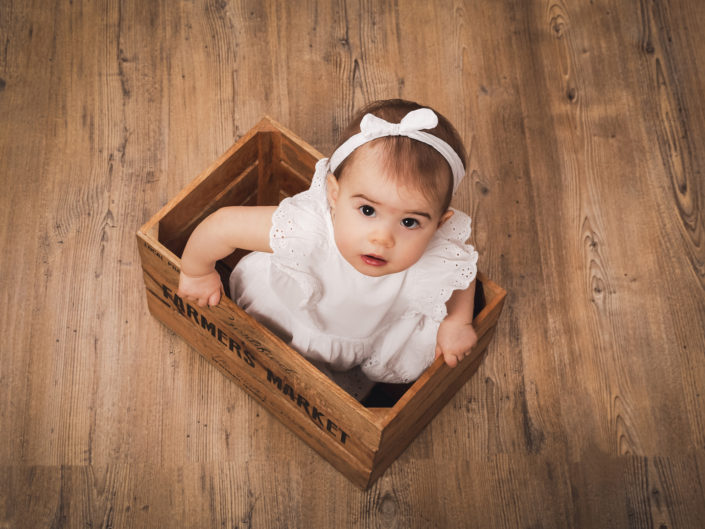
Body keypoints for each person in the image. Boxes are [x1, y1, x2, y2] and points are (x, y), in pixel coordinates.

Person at [177, 99, 479, 389]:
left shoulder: (433, 253)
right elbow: (223, 226)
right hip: (284, 313)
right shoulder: (309, 231)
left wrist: (457, 322)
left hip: (361, 335)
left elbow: (461, 276)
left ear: (439, 225)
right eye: (368, 211)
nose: (382, 238)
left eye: (409, 222)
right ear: (333, 194)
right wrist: (197, 272)